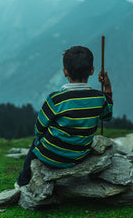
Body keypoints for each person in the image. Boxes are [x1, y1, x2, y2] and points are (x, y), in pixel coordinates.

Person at [15, 45, 112, 188]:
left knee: (36, 142)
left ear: (64, 71)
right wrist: (107, 88)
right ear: (91, 71)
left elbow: (39, 129)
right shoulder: (99, 98)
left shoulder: (55, 99)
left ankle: (22, 182)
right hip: (80, 156)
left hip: (50, 156)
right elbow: (107, 116)